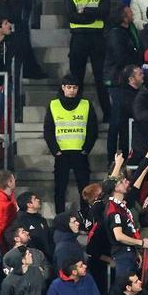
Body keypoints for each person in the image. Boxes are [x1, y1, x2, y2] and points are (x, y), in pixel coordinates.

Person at [44, 75, 98, 213]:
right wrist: (56, 151)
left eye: (74, 87)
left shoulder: (86, 104)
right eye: (69, 87)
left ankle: (86, 219)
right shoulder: (53, 104)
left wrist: (86, 149)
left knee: (85, 190)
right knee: (60, 189)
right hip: (61, 154)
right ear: (63, 87)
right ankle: (61, 219)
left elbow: (93, 129)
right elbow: (48, 130)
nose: (72, 90)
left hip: (80, 153)